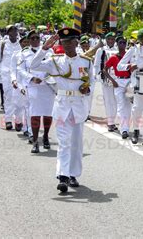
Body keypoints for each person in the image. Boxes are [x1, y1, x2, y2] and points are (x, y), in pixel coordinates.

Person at [30, 27, 93, 193]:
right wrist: (44, 47)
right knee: (64, 142)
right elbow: (33, 65)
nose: (66, 45)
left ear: (76, 42)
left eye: (69, 42)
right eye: (63, 42)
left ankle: (73, 174)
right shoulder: (54, 61)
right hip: (63, 105)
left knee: (76, 144)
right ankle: (63, 176)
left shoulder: (86, 61)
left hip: (78, 106)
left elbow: (90, 82)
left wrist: (87, 89)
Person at [0, 25, 22, 130]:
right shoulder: (3, 44)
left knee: (19, 97)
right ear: (8, 33)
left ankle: (18, 120)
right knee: (8, 97)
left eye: (15, 30)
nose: (14, 32)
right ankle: (8, 120)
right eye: (12, 30)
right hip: (6, 74)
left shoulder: (21, 44)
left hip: (19, 75)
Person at [104, 35, 131, 139]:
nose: (122, 45)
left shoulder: (129, 56)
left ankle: (126, 126)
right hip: (118, 81)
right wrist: (113, 81)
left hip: (129, 81)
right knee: (121, 105)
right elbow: (105, 69)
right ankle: (124, 129)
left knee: (128, 106)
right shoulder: (114, 57)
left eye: (124, 43)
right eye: (120, 43)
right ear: (117, 44)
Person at [94, 32, 118, 131]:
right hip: (106, 78)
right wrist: (98, 77)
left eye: (112, 39)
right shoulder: (101, 50)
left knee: (117, 101)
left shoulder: (118, 50)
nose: (111, 41)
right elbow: (97, 64)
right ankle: (110, 122)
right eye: (109, 39)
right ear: (106, 40)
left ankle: (113, 119)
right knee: (108, 101)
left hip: (117, 79)